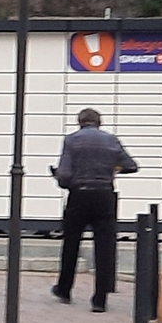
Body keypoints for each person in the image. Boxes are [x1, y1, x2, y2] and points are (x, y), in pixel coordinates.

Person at [50, 107, 139, 311]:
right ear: (100, 122)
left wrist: (61, 180)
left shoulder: (71, 140)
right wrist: (112, 169)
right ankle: (99, 299)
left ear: (79, 121)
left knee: (71, 243)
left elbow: (64, 174)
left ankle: (64, 288)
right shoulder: (111, 140)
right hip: (105, 195)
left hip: (79, 195)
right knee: (104, 247)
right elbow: (132, 165)